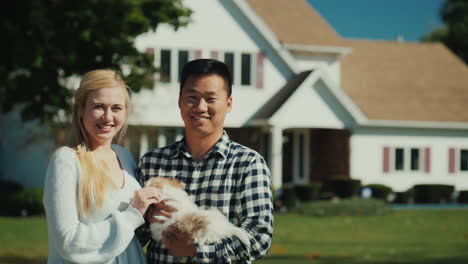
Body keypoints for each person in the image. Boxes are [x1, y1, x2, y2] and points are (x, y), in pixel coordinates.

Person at [138, 59, 273, 263]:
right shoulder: (152, 162)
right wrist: (147, 220)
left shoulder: (248, 164)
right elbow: (133, 238)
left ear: (228, 104)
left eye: (210, 99)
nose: (200, 107)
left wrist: (196, 251)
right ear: (180, 101)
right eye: (192, 97)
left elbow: (259, 237)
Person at [43, 69, 162, 264]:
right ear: (81, 109)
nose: (108, 117)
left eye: (116, 108)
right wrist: (133, 214)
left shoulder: (124, 156)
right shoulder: (66, 161)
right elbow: (68, 242)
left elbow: (130, 238)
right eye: (98, 106)